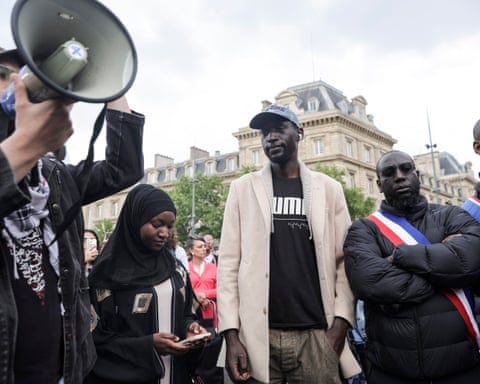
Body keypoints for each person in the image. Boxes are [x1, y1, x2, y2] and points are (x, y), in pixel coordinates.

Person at [0, 47, 144, 384]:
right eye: (4, 75)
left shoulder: (56, 176)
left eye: (27, 76)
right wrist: (25, 145)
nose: (20, 84)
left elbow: (123, 168)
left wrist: (112, 83)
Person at [217, 104, 360, 383]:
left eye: (279, 129)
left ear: (300, 133)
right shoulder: (242, 188)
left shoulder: (329, 189)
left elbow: (345, 263)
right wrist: (231, 335)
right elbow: (228, 266)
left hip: (317, 335)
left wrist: (340, 325)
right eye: (265, 132)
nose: (271, 137)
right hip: (256, 335)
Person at [344, 150, 480, 383]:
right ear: (378, 184)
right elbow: (371, 283)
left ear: (416, 174)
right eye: (389, 173)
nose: (399, 176)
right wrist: (445, 273)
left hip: (463, 370)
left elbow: (471, 260)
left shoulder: (452, 215)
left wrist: (399, 256)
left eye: (406, 169)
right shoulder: (363, 230)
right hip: (391, 373)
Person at [87, 184, 210, 384]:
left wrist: (191, 328)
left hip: (175, 376)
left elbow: (187, 311)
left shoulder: (175, 269)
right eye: (157, 224)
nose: (164, 233)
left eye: (170, 226)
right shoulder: (106, 276)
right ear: (135, 222)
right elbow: (95, 340)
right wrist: (147, 345)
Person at [187, 235, 224, 384]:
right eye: (199, 247)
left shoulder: (213, 268)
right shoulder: (186, 268)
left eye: (204, 247)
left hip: (210, 314)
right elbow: (184, 289)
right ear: (191, 250)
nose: (204, 249)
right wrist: (196, 297)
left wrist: (206, 294)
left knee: (211, 348)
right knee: (194, 346)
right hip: (192, 313)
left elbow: (221, 288)